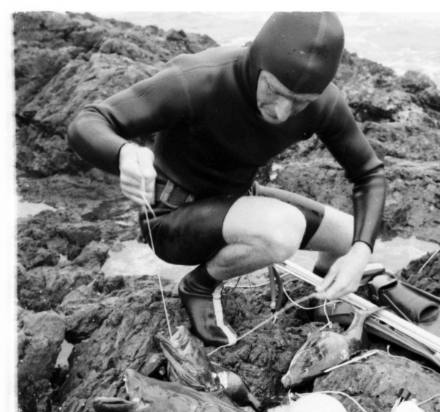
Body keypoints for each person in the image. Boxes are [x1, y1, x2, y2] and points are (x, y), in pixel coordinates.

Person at [68, 12, 386, 346]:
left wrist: (360, 254)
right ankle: (200, 285)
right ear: (257, 63)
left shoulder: (324, 103)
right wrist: (124, 154)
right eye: (274, 90)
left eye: (300, 102)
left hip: (239, 202)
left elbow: (369, 173)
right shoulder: (200, 78)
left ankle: (323, 294)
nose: (281, 112)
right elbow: (88, 121)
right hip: (173, 219)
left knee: (355, 236)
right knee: (283, 232)